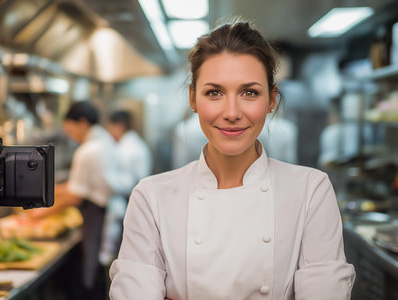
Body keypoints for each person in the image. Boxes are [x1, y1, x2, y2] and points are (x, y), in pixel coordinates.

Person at [109, 20, 355, 299]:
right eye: (214, 92)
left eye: (249, 92)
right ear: (193, 99)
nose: (232, 112)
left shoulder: (311, 190)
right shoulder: (151, 197)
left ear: (272, 99)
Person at [29, 101, 121, 299]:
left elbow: (75, 196)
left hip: (97, 217)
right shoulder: (104, 141)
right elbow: (77, 186)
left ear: (82, 122)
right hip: (106, 213)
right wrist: (48, 191)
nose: (71, 136)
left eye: (70, 130)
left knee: (91, 274)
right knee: (100, 272)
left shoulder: (88, 151)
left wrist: (38, 214)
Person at [101, 110, 153, 264]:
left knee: (122, 255)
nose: (108, 131)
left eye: (109, 127)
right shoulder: (136, 144)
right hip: (131, 201)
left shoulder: (127, 148)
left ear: (119, 126)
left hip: (129, 202)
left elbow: (125, 182)